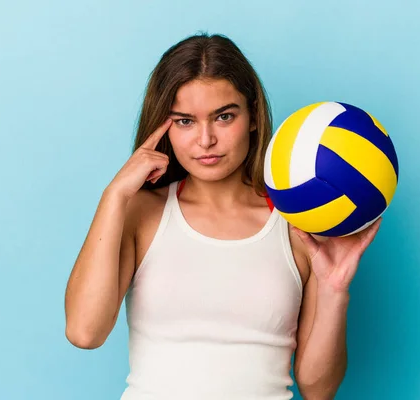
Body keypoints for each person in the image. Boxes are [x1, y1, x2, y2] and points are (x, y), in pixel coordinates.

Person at [64, 33, 381, 400]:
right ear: (164, 125)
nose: (206, 140)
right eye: (184, 121)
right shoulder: (141, 213)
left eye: (224, 116)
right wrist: (115, 195)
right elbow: (85, 332)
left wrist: (334, 290)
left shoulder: (298, 224)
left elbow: (317, 389)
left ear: (252, 116)